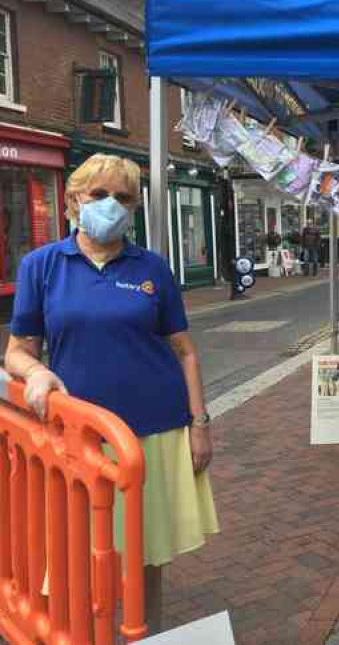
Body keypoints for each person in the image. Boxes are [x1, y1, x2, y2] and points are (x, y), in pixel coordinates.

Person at [3, 154, 219, 633]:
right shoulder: (42, 266)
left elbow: (184, 350)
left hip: (156, 432)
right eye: (98, 195)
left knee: (146, 552)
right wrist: (35, 371)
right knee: (74, 552)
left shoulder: (153, 268)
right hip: (79, 438)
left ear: (135, 207)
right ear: (73, 201)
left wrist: (199, 425)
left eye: (122, 197)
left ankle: (148, 634)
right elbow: (16, 351)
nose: (110, 205)